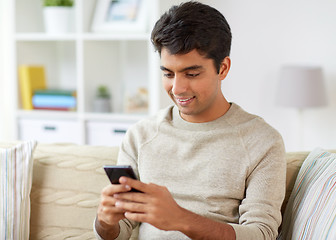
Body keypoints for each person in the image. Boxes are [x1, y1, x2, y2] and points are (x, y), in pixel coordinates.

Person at [94, 1, 286, 239]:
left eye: (192, 74)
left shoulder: (262, 142)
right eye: (168, 73)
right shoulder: (140, 136)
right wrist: (105, 221)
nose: (177, 88)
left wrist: (181, 219)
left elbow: (262, 233)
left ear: (223, 68)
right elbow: (121, 232)